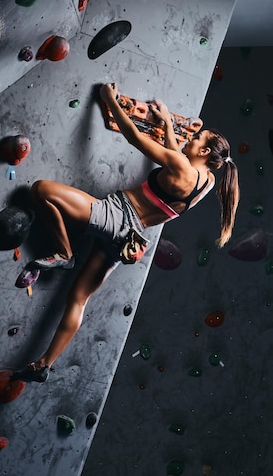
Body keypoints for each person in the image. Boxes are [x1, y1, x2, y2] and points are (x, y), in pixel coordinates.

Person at [13, 82, 240, 383]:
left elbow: (134, 136)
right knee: (78, 300)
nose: (192, 137)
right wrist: (168, 124)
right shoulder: (208, 181)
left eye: (197, 137)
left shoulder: (182, 166)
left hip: (117, 214)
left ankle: (65, 252)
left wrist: (109, 100)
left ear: (206, 149)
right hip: (129, 239)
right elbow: (177, 158)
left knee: (42, 190)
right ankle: (44, 364)